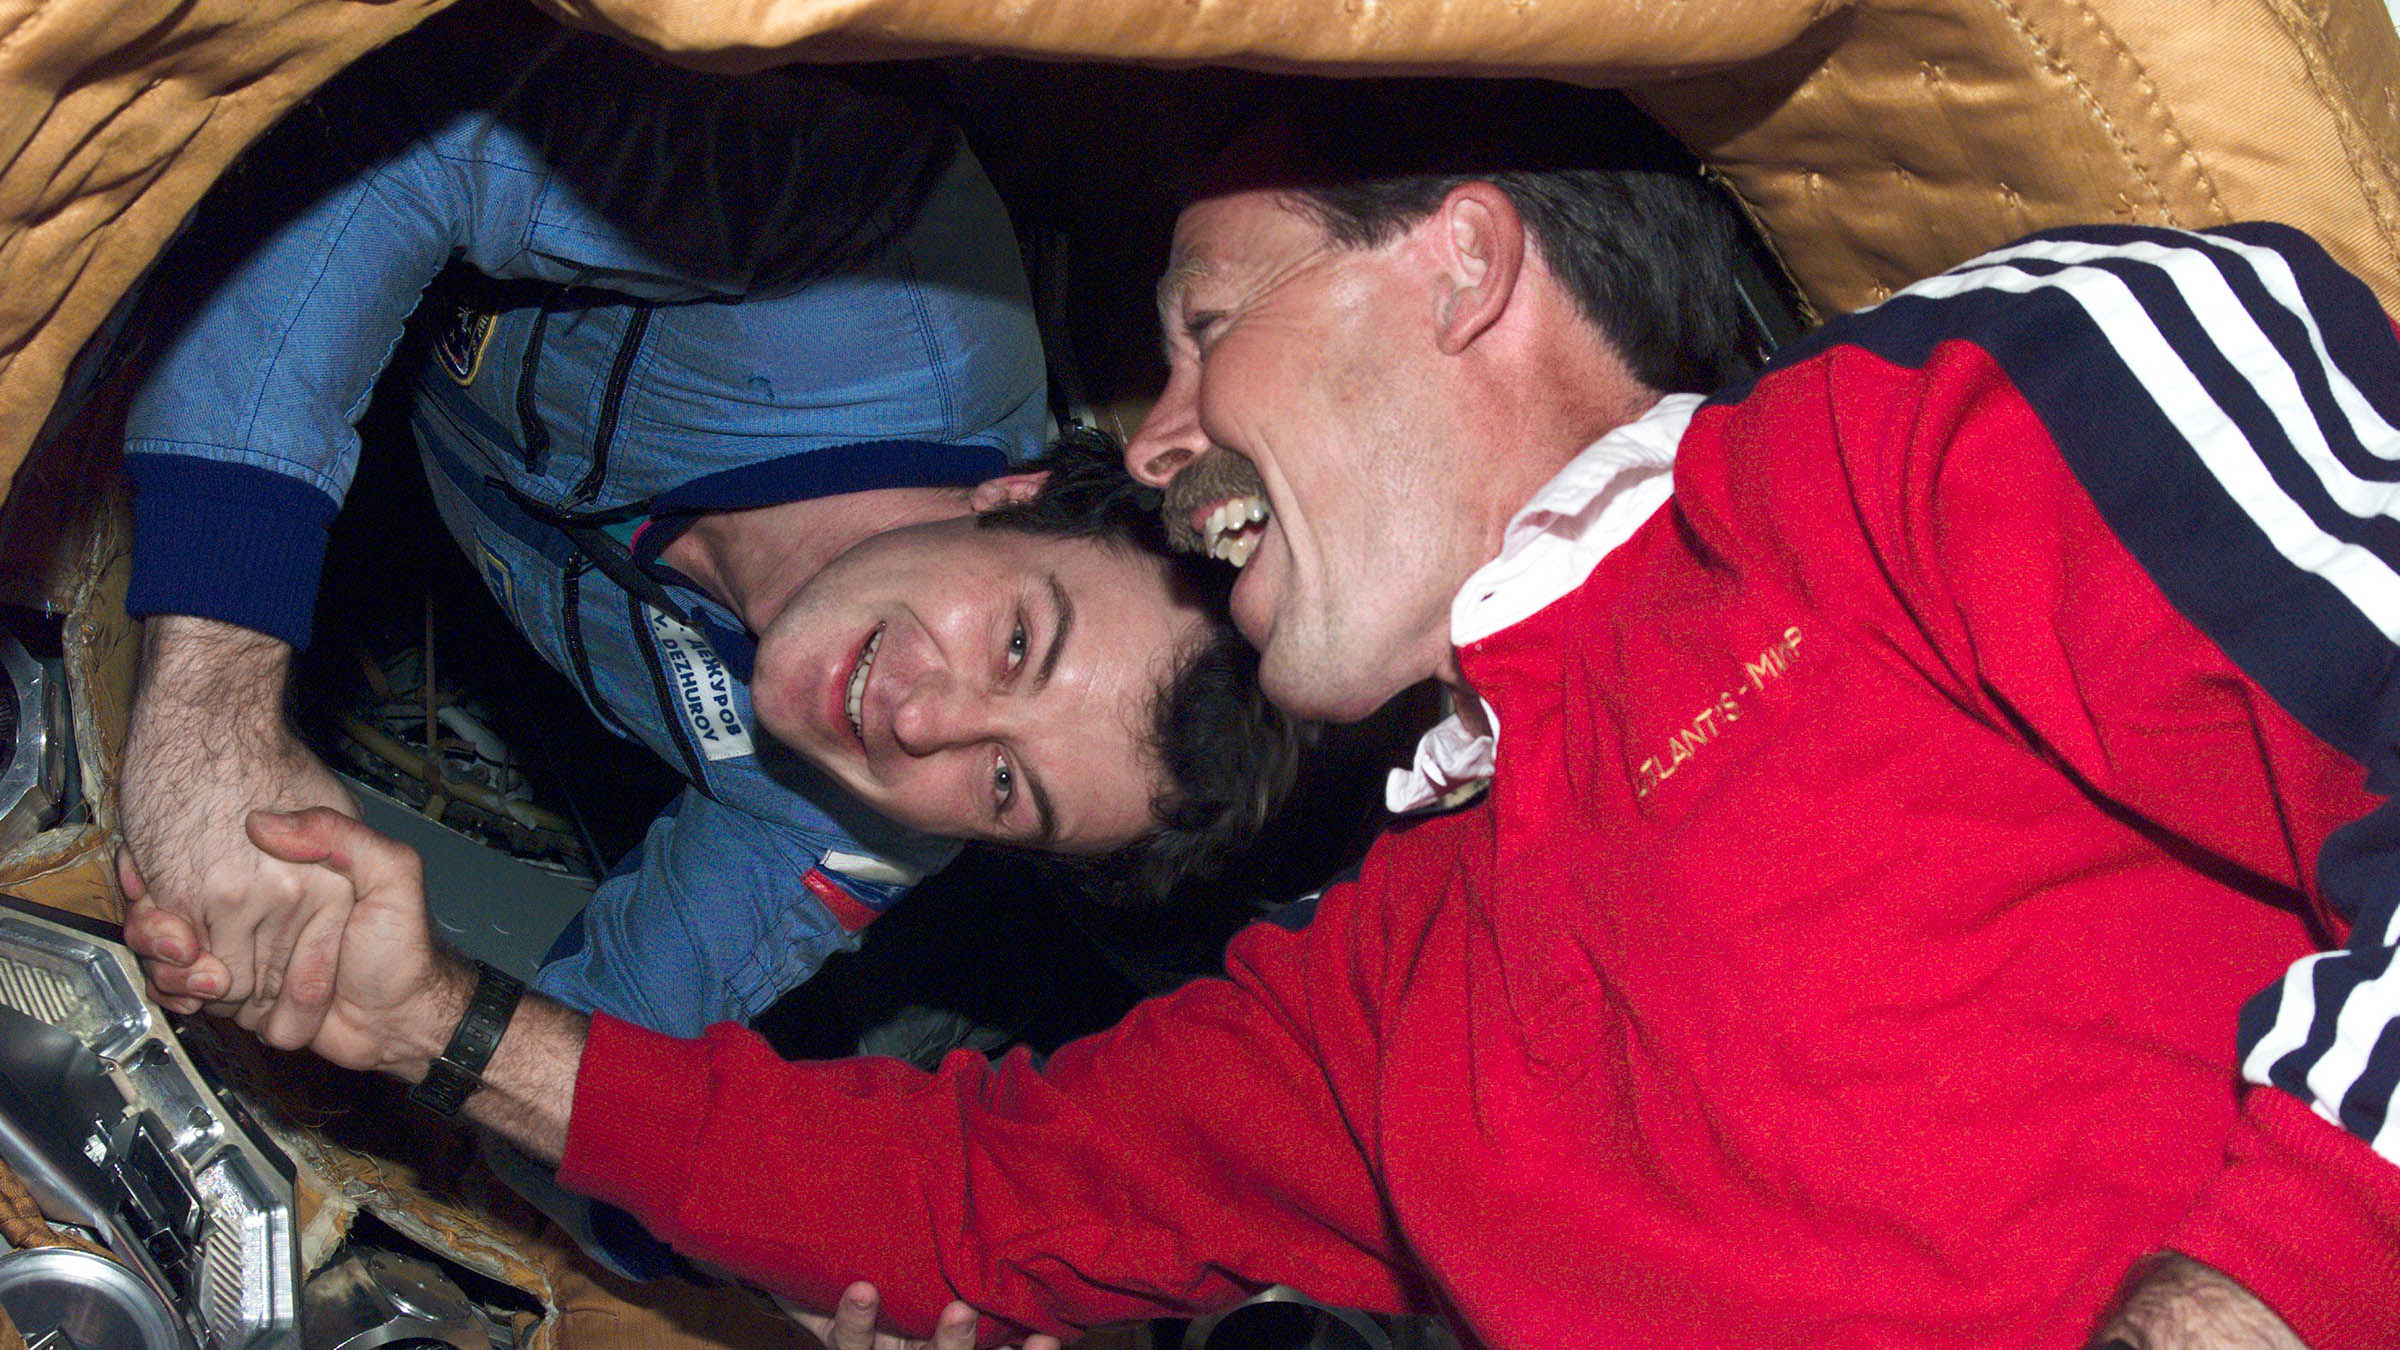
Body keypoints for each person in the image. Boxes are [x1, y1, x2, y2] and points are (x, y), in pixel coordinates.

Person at [198, 89, 2400, 1346]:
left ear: (1462, 263)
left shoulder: (1901, 443)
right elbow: (970, 1192)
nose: (1156, 440)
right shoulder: (1392, 990)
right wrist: (427, 1023)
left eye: (1204, 327)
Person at [113, 6, 1295, 1056]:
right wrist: (216, 701)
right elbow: (396, 121)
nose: (925, 721)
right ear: (1017, 498)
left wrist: (400, 1008)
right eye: (1018, 643)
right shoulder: (873, 258)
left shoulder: (873, 822)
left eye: (1004, 784)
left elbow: (618, 1057)